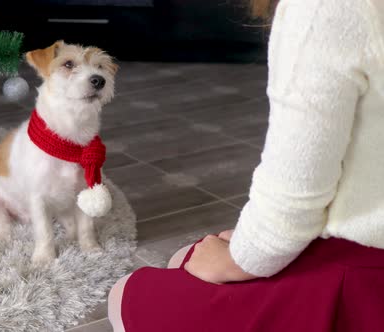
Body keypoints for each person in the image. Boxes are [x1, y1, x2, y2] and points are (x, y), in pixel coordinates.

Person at [107, 0, 384, 330]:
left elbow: (293, 196)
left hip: (367, 272)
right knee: (187, 258)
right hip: (363, 237)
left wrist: (243, 256)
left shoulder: (324, 8)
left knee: (125, 294)